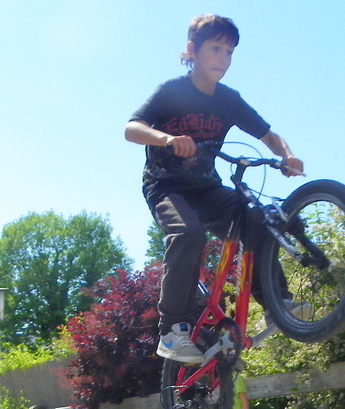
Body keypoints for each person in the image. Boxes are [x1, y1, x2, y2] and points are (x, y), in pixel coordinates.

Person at [125, 14, 304, 363]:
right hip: (166, 186)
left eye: (229, 52)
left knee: (256, 221)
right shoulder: (172, 91)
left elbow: (268, 135)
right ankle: (172, 331)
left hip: (207, 189)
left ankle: (276, 304)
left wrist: (287, 156)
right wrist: (168, 139)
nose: (223, 58)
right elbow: (132, 128)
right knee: (189, 233)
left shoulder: (228, 100)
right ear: (192, 50)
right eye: (215, 49)